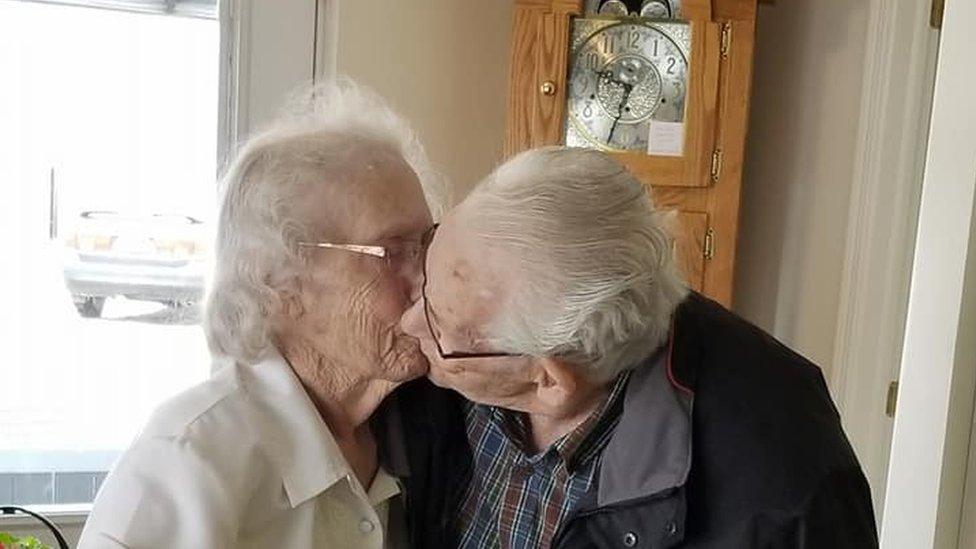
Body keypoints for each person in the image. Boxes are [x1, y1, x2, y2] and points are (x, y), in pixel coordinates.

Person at [398, 146, 878, 548]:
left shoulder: (786, 496)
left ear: (549, 381)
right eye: (427, 276)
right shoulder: (458, 373)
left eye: (440, 325)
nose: (407, 321)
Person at [78, 81, 442, 548]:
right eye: (394, 252)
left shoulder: (426, 428)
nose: (428, 278)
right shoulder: (190, 460)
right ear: (280, 282)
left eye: (428, 244)